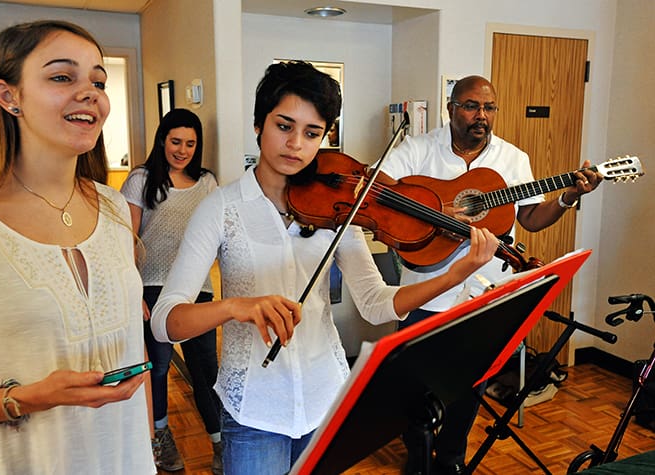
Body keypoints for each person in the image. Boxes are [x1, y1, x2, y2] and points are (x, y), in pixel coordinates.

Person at [149, 61, 499, 475]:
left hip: (327, 401)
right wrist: (235, 307)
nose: (296, 144)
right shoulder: (221, 208)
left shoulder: (342, 209)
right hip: (254, 412)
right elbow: (164, 321)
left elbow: (375, 302)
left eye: (312, 133)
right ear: (259, 124)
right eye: (284, 126)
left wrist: (453, 275)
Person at [379, 75, 603, 475]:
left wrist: (568, 196)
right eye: (470, 106)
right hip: (425, 291)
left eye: (489, 108)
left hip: (486, 293)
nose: (480, 115)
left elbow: (531, 219)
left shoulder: (513, 159)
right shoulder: (416, 151)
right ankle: (417, 457)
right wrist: (434, 216)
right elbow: (384, 197)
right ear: (451, 109)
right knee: (414, 384)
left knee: (469, 385)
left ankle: (451, 459)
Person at [0, 20, 155, 474]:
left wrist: (145, 448)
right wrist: (25, 398)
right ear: (9, 97)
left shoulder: (112, 207)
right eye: (62, 76)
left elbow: (134, 349)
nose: (90, 93)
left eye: (98, 81)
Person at [120, 108, 222, 473]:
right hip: (151, 287)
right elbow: (126, 241)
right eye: (176, 141)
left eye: (191, 144)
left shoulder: (208, 183)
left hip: (197, 290)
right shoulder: (141, 179)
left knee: (205, 369)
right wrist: (133, 293)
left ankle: (218, 442)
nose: (182, 150)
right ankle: (160, 436)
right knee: (159, 367)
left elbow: (220, 237)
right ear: (162, 139)